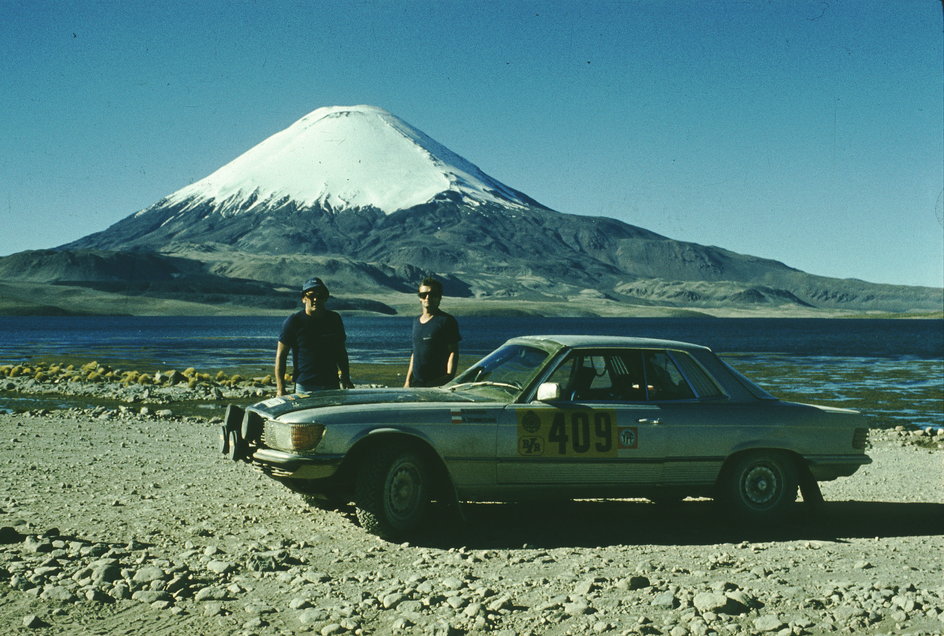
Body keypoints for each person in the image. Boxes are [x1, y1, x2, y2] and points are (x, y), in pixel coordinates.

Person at [275, 277, 354, 396]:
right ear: (303, 298)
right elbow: (281, 356)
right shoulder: (294, 322)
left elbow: (341, 351)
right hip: (305, 385)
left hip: (331, 384)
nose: (316, 299)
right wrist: (280, 388)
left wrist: (346, 377)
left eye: (320, 295)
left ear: (326, 298)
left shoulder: (334, 319)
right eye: (311, 296)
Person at [404, 277, 461, 387]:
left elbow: (453, 352)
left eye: (433, 294)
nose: (427, 297)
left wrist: (449, 377)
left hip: (437, 383)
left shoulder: (446, 321)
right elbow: (415, 353)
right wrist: (407, 381)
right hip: (416, 383)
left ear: (440, 297)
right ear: (419, 298)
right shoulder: (416, 321)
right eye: (423, 295)